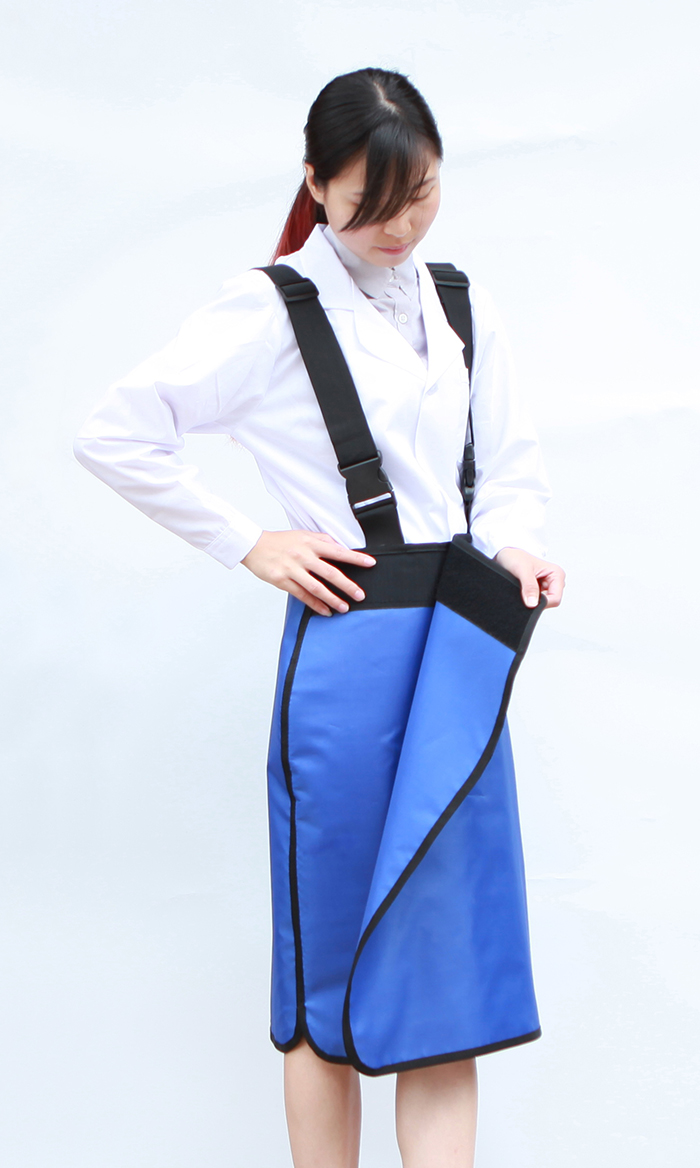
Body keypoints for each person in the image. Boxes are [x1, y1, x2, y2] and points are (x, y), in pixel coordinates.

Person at [75, 67, 564, 1168]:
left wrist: (516, 543)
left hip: (459, 650)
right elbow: (115, 433)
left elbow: (507, 471)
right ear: (314, 183)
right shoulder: (272, 306)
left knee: (444, 980)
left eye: (420, 195)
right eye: (368, 202)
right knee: (329, 974)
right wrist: (248, 541)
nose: (399, 225)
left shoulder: (461, 303)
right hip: (348, 656)